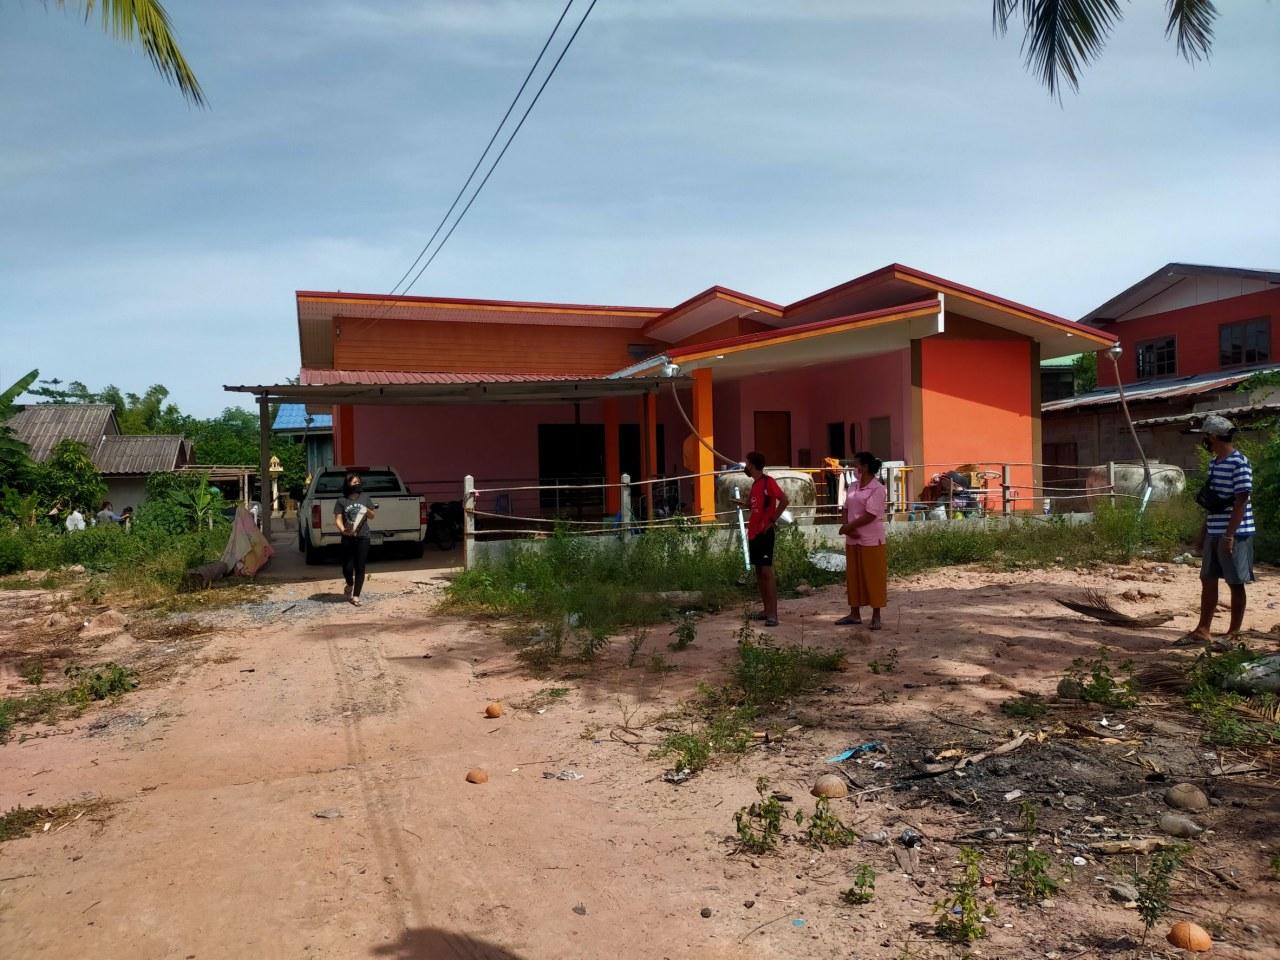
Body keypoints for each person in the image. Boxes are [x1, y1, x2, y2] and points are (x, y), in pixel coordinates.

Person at [1182, 415, 1255, 644]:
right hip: (1215, 530)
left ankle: (1233, 633)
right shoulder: (1215, 463)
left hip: (1235, 532)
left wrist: (1229, 535)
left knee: (1235, 582)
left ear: (1213, 436)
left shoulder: (1239, 462)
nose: (1204, 440)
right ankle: (1203, 629)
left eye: (1206, 435)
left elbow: (1242, 500)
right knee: (1208, 578)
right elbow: (1213, 501)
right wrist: (1205, 531)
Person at [837, 451, 888, 629]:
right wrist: (848, 528)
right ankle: (854, 613)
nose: (854, 468)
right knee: (854, 576)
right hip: (853, 538)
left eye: (856, 464)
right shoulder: (853, 486)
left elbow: (870, 514)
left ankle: (876, 615)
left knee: (873, 576)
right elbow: (845, 508)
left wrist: (849, 527)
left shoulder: (877, 488)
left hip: (871, 539)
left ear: (865, 467)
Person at [736, 452, 788, 627]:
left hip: (764, 533)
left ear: (752, 464)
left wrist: (772, 521)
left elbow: (784, 500)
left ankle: (773, 614)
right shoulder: (755, 484)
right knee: (759, 572)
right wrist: (744, 504)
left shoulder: (768, 482)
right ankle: (766, 610)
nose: (746, 466)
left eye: (747, 463)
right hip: (754, 533)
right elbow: (755, 505)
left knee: (766, 572)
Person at [334, 473, 378, 606]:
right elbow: (338, 519)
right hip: (347, 537)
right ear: (348, 484)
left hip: (363, 537)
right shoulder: (341, 500)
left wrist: (366, 509)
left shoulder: (365, 498)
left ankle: (356, 596)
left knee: (360, 566)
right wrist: (343, 529)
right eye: (354, 482)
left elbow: (372, 516)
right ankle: (349, 584)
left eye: (358, 482)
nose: (357, 484)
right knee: (347, 568)